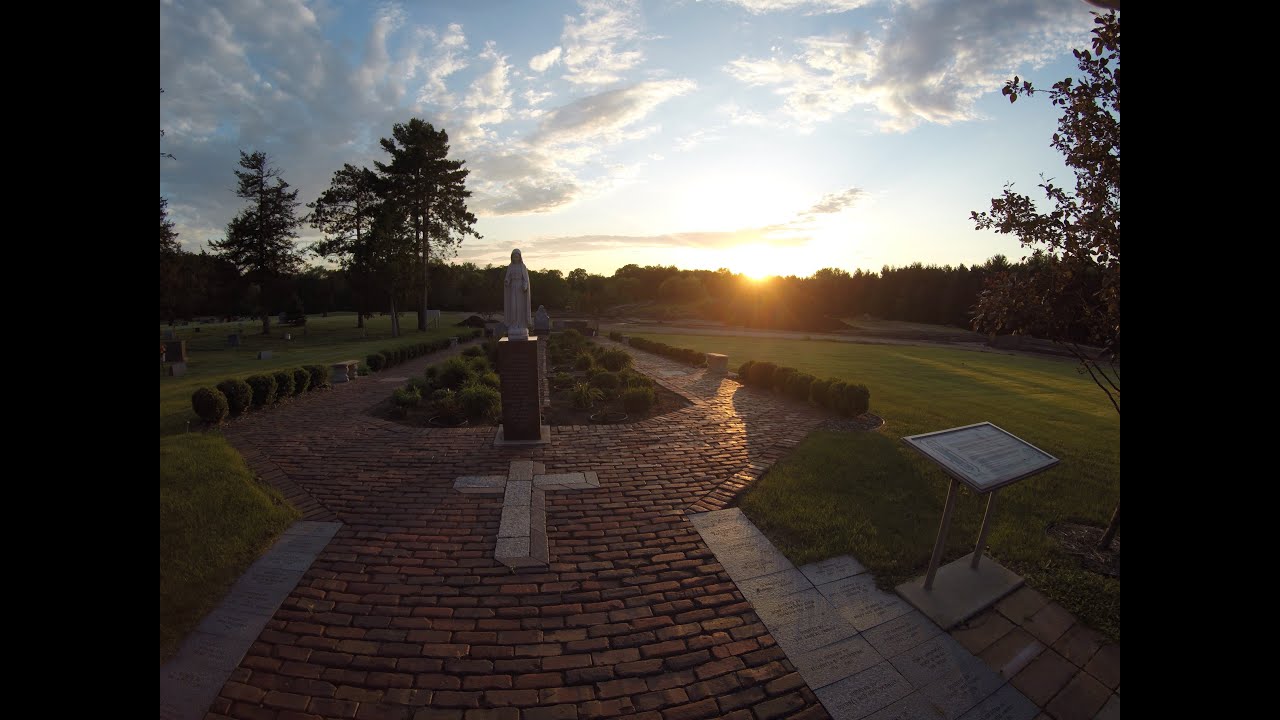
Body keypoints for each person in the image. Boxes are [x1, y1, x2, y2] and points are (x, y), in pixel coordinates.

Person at [504, 249, 532, 339]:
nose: (516, 258)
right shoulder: (510, 267)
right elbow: (507, 277)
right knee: (513, 307)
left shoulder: (522, 266)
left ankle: (521, 325)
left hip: (520, 289)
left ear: (520, 257)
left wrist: (525, 285)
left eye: (517, 256)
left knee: (520, 307)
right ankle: (513, 325)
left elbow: (526, 279)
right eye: (514, 257)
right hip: (513, 288)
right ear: (512, 257)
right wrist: (507, 281)